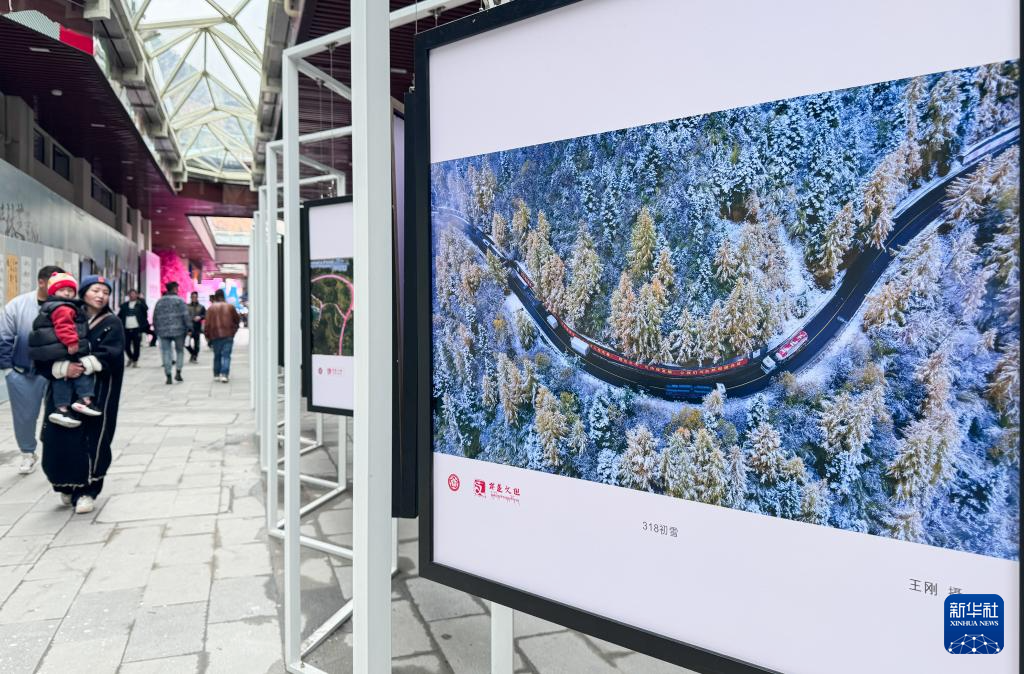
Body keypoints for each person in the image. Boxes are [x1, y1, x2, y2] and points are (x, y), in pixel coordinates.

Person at [38, 275, 125, 514]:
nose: (100, 296)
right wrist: (62, 368)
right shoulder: (62, 314)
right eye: (95, 290)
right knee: (58, 437)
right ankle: (65, 485)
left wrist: (86, 364)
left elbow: (113, 356)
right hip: (61, 391)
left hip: (95, 393)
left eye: (105, 292)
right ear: (84, 292)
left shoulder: (112, 323)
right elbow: (41, 348)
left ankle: (88, 490)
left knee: (92, 439)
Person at [0, 264, 64, 474]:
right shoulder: (18, 305)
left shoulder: (65, 306)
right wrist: (8, 370)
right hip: (23, 372)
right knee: (24, 417)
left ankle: (56, 454)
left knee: (59, 414)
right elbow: (4, 338)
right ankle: (28, 453)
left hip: (57, 371)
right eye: (53, 282)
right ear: (41, 282)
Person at [28, 272, 102, 428]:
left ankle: (61, 409)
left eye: (70, 290)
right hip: (66, 348)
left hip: (56, 350)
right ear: (53, 292)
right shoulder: (63, 307)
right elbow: (65, 326)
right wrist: (72, 342)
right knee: (82, 368)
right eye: (62, 290)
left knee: (62, 378)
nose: (67, 293)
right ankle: (85, 400)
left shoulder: (50, 306)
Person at [152, 282, 191, 385]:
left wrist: (156, 329)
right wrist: (189, 328)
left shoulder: (160, 302)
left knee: (166, 352)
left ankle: (168, 375)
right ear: (174, 289)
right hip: (179, 331)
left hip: (163, 331)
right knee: (179, 351)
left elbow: (155, 317)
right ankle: (178, 372)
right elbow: (185, 315)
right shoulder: (180, 301)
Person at [204, 289, 241, 383]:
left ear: (215, 296)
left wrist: (207, 335)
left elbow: (207, 324)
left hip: (215, 335)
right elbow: (237, 320)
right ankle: (224, 374)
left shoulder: (211, 308)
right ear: (223, 296)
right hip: (228, 334)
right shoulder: (230, 307)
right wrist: (233, 331)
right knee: (226, 355)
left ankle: (216, 374)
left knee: (217, 355)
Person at [117, 288, 149, 368]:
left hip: (136, 328)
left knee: (136, 345)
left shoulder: (140, 304)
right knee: (126, 345)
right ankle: (131, 357)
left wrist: (142, 299)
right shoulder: (124, 305)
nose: (132, 295)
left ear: (137, 295)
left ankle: (135, 360)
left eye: (134, 294)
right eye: (130, 294)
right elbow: (120, 316)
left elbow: (145, 310)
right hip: (126, 328)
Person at [185, 291, 206, 363]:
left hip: (197, 327)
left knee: (197, 344)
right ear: (191, 297)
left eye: (195, 297)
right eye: (193, 297)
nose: (194, 298)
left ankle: (194, 357)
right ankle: (193, 354)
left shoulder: (201, 307)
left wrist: (200, 317)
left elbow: (205, 315)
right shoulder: (187, 306)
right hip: (189, 328)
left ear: (197, 297)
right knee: (186, 343)